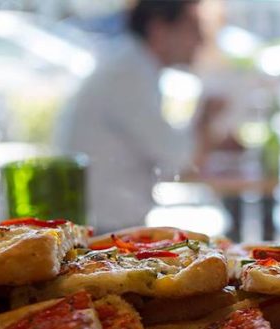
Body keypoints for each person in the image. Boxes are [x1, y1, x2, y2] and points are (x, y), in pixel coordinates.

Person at [56, 0, 229, 233]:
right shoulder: (128, 75)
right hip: (103, 230)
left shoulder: (131, 64)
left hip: (105, 224)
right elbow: (179, 159)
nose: (201, 40)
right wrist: (206, 117)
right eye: (193, 27)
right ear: (159, 28)